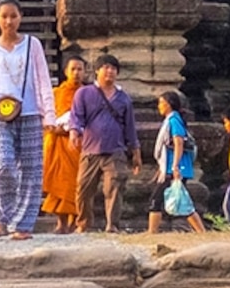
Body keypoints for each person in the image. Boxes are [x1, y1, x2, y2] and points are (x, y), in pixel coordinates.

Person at [0, 0, 51, 240]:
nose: (9, 21)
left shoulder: (32, 44)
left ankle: (23, 224)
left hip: (29, 112)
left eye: (13, 16)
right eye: (4, 16)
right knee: (3, 162)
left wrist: (49, 113)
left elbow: (43, 79)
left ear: (21, 18)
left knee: (31, 171)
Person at [67, 56, 137, 233]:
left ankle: (111, 225)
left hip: (115, 150)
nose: (110, 71)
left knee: (114, 189)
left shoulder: (123, 98)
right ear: (96, 71)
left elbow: (130, 127)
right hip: (90, 150)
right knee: (83, 189)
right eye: (105, 67)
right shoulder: (84, 93)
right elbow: (76, 117)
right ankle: (83, 223)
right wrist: (74, 131)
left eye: (113, 68)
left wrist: (135, 152)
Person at [148, 90, 205, 235]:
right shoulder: (173, 120)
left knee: (157, 199)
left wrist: (174, 166)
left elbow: (178, 142)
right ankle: (201, 231)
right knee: (180, 199)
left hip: (175, 168)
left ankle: (152, 231)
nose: (159, 106)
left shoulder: (173, 120)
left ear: (169, 105)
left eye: (161, 103)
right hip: (172, 167)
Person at [40, 55, 86, 233]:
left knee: (77, 183)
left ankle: (75, 221)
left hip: (77, 143)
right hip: (56, 142)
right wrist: (53, 128)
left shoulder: (87, 94)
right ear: (66, 71)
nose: (76, 73)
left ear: (85, 72)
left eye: (80, 69)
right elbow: (46, 115)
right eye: (73, 69)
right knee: (58, 182)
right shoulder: (56, 93)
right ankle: (61, 223)